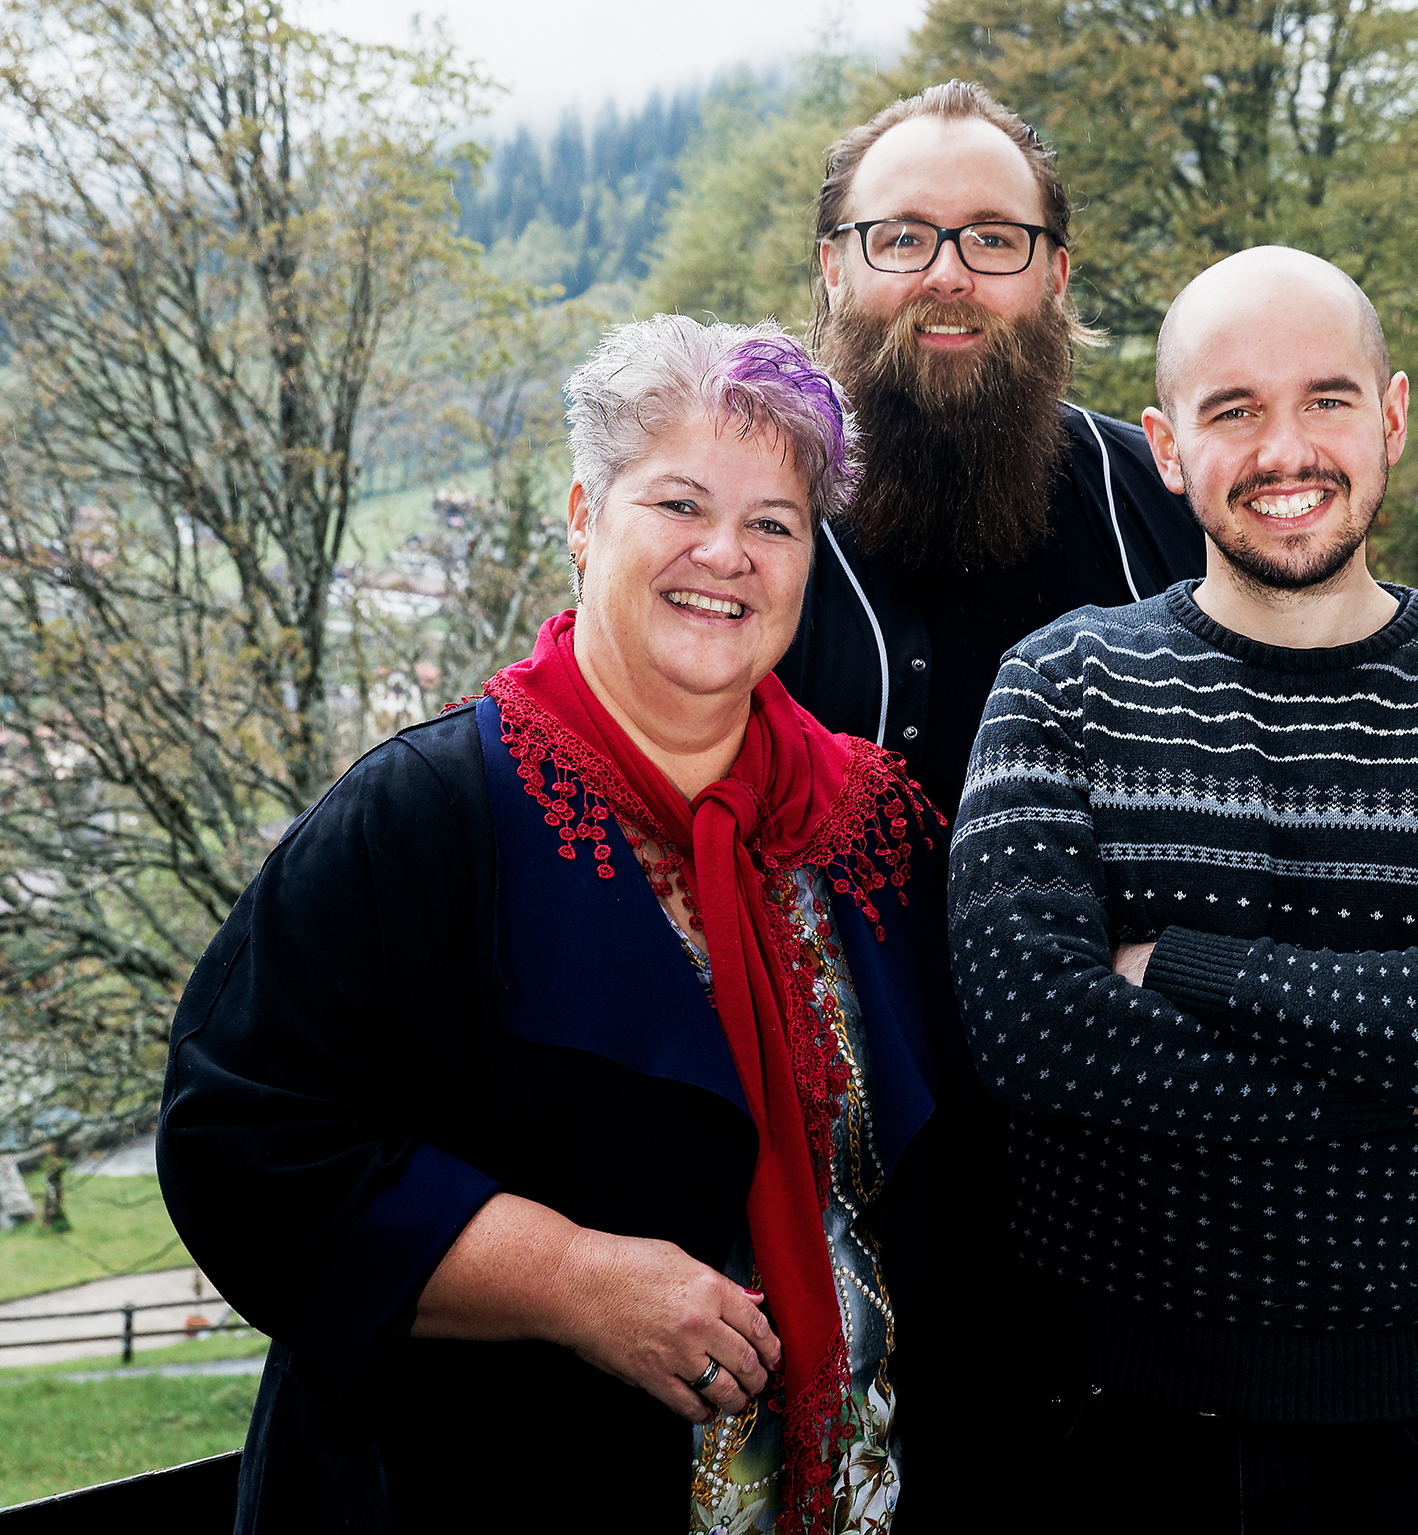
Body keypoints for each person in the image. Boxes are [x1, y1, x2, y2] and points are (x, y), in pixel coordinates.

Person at [159, 317, 943, 1534]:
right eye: (678, 503)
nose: (724, 554)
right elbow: (242, 1139)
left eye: (773, 523)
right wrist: (572, 1279)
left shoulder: (869, 827)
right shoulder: (426, 816)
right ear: (583, 517)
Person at [946, 245, 1418, 1534]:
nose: (1284, 448)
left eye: (1324, 398)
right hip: (1102, 1425)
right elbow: (1031, 1032)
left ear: (1392, 414)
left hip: (1411, 1439)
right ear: (1163, 442)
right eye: (1232, 408)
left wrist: (1174, 967)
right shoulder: (1060, 683)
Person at [774, 79, 1206, 1513]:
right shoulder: (743, 527)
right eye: (900, 235)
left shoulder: (1155, 507)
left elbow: (1333, 673)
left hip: (1130, 1238)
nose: (946, 273)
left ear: (1055, 274)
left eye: (991, 238)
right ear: (832, 262)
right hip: (827, 1249)